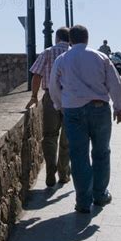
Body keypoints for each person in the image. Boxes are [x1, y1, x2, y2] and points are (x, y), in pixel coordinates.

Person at [49, 25, 121, 213]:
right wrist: (119, 107)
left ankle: (83, 201)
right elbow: (115, 83)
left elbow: (53, 86)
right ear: (87, 39)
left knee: (79, 156)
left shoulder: (62, 59)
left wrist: (60, 105)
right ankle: (100, 195)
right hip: (99, 109)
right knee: (101, 153)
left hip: (73, 111)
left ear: (70, 40)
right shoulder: (100, 57)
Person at [25, 27, 71, 187]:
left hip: (51, 96)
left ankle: (50, 173)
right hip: (72, 99)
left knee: (50, 135)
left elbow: (36, 75)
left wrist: (33, 96)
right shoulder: (74, 54)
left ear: (57, 38)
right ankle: (64, 173)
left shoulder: (47, 52)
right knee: (68, 137)